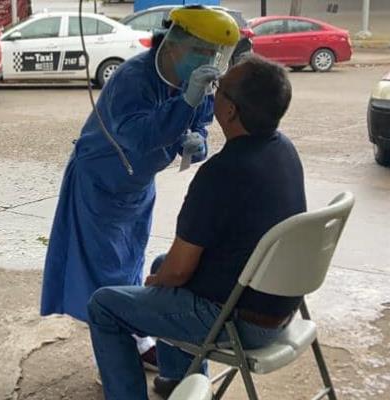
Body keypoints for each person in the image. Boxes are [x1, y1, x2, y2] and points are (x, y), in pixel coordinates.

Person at [86, 54, 301, 399]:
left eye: (219, 88)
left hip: (240, 322)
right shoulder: (282, 149)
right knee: (160, 263)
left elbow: (179, 271)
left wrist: (159, 283)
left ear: (229, 111)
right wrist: (164, 276)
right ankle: (180, 382)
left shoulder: (221, 173)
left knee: (104, 304)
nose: (212, 93)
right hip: (278, 306)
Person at [40, 6, 241, 366]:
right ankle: (118, 354)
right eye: (202, 49)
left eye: (215, 53)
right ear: (176, 44)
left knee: (132, 264)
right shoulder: (133, 79)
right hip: (102, 183)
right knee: (105, 274)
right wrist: (185, 103)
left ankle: (136, 337)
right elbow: (140, 136)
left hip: (138, 187)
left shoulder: (198, 81)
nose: (209, 60)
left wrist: (195, 143)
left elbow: (200, 127)